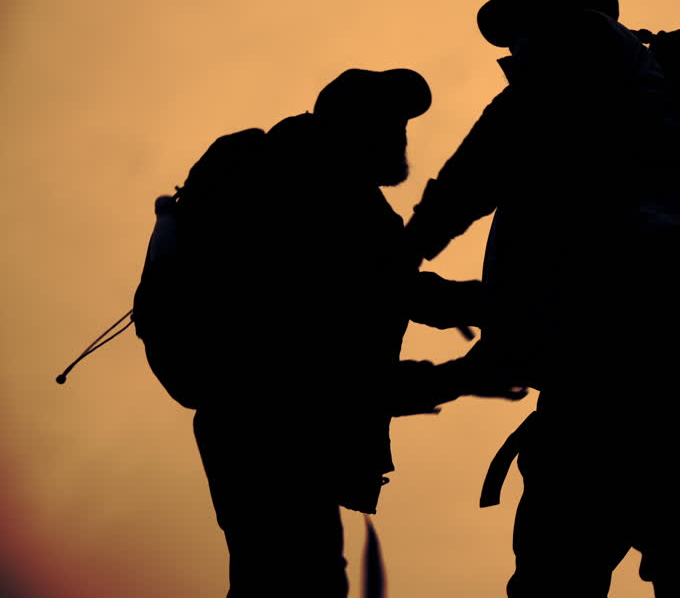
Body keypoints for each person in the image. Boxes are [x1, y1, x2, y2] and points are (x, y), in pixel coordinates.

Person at [406, 0, 680, 597]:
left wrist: (405, 250)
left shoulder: (577, 48)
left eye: (519, 26)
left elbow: (477, 170)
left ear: (558, 11)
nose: (513, 46)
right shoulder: (669, 84)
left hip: (607, 345)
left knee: (561, 553)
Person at [189, 68, 523, 597]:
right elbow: (331, 368)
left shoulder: (326, 192)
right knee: (296, 579)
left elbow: (393, 297)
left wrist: (485, 328)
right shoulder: (313, 194)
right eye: (388, 123)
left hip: (262, 429)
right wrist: (478, 355)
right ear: (349, 127)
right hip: (275, 430)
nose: (401, 136)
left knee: (286, 576)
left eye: (402, 123)